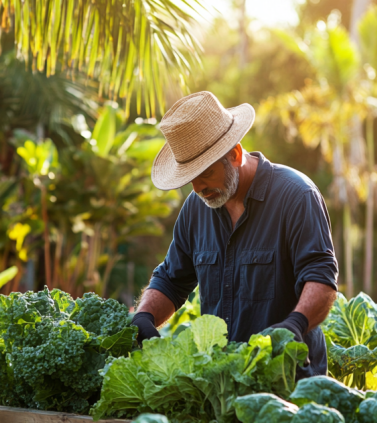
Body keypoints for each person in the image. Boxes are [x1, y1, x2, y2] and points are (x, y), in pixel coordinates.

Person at [131, 91, 340, 378]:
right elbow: (170, 279)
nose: (197, 188)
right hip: (222, 383)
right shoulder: (197, 206)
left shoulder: (296, 195)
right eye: (190, 178)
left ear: (235, 154)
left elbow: (321, 277)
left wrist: (295, 324)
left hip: (289, 380)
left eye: (204, 173)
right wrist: (144, 315)